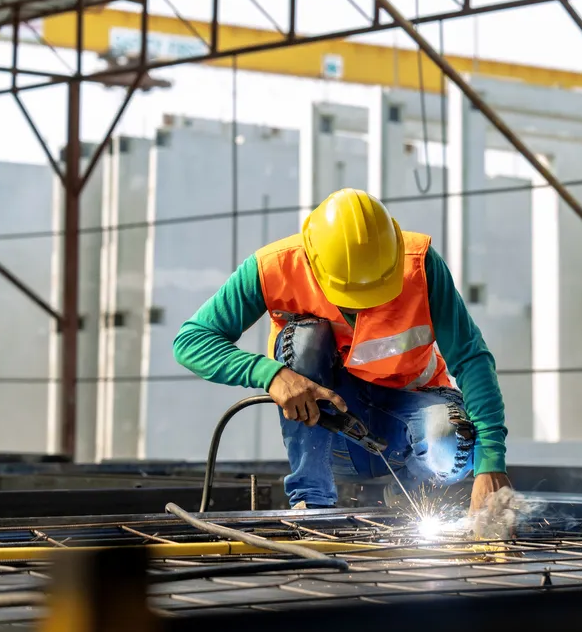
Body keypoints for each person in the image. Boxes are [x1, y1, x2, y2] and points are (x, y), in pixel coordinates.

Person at [172, 188, 512, 514]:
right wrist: (271, 374)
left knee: (450, 441)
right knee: (305, 341)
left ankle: (409, 496)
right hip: (332, 429)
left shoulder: (420, 266)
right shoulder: (273, 268)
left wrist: (491, 464)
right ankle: (312, 501)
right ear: (313, 263)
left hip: (407, 427)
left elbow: (471, 358)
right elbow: (191, 341)